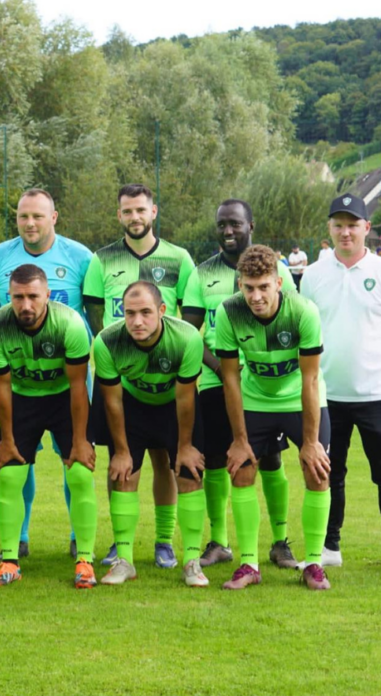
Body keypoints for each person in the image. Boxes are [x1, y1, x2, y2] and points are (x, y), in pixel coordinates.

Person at [83, 183, 195, 569]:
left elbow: (190, 315)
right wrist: (121, 348)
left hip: (166, 375)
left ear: (154, 212)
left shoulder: (179, 258)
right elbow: (96, 313)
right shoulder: (102, 260)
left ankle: (164, 541)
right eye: (127, 211)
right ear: (119, 215)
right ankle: (121, 542)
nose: (134, 217)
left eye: (140, 210)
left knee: (166, 460)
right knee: (120, 459)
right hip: (120, 374)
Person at [181, 199, 298, 570]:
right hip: (218, 381)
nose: (228, 231)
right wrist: (222, 367)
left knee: (269, 459)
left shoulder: (279, 272)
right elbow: (190, 333)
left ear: (251, 225)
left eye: (234, 224)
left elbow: (291, 324)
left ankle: (280, 541)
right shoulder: (202, 274)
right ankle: (220, 541)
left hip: (265, 384)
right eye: (221, 225)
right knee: (216, 459)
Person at [215, 245, 332, 591]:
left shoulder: (303, 311)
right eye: (248, 287)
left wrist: (310, 443)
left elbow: (310, 379)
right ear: (240, 285)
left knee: (317, 470)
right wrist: (239, 439)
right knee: (241, 470)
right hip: (255, 400)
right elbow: (231, 378)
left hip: (300, 398)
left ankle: (313, 563)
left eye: (263, 287)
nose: (256, 296)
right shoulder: (228, 312)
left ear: (279, 283)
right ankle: (249, 564)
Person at [0, 188, 94, 560]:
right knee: (19, 459)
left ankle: (80, 538)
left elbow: (93, 316)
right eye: (22, 216)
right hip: (19, 383)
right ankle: (20, 536)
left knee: (75, 460)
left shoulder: (80, 257)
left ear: (54, 217)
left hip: (69, 379)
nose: (29, 223)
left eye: (37, 216)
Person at [92, 282, 207, 587]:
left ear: (162, 311)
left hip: (173, 404)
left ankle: (191, 561)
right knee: (124, 473)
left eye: (145, 312)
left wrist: (184, 447)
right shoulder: (107, 341)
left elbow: (185, 398)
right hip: (132, 405)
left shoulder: (186, 338)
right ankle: (124, 561)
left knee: (188, 472)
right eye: (130, 313)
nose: (137, 321)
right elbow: (113, 401)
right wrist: (121, 450)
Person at [300, 193, 381, 568]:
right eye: (338, 225)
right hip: (326, 396)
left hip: (375, 393)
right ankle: (329, 548)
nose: (345, 232)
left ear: (367, 228)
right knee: (330, 473)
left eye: (352, 225)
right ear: (329, 229)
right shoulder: (313, 276)